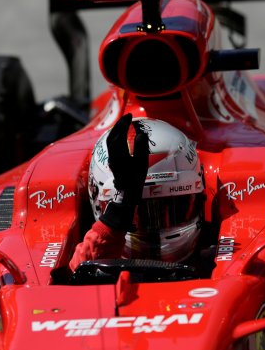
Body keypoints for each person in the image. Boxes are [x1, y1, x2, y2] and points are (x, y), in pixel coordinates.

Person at [68, 113, 206, 272]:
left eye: (177, 207)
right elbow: (71, 278)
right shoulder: (87, 261)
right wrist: (114, 222)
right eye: (137, 214)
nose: (157, 232)